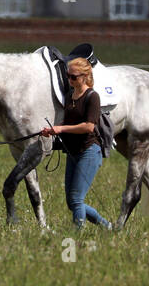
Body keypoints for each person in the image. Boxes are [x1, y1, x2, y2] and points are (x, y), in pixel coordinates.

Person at [40, 56, 112, 230]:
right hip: (73, 152)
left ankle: (77, 235)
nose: (70, 80)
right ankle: (107, 226)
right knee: (72, 202)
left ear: (85, 76)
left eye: (74, 77)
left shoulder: (92, 97)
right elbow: (68, 123)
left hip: (89, 151)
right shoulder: (69, 95)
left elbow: (89, 126)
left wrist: (61, 129)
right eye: (68, 76)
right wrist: (52, 131)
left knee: (76, 199)